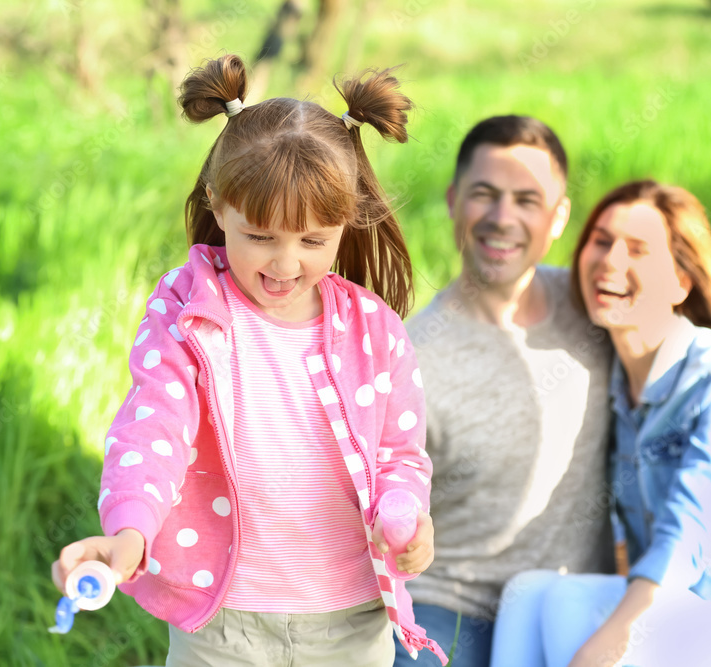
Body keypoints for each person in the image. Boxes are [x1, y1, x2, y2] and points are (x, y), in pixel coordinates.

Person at [50, 54, 448, 666]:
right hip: (223, 627)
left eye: (314, 241)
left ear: (347, 219)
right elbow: (154, 428)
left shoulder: (375, 332)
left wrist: (405, 516)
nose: (285, 265)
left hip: (349, 623)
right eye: (260, 236)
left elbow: (400, 457)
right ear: (218, 202)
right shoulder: (188, 313)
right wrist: (128, 535)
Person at [398, 116, 711, 666]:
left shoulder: (602, 316)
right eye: (485, 194)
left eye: (527, 199)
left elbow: (700, 492)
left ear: (558, 218)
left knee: (550, 609)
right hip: (459, 604)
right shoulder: (413, 355)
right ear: (455, 200)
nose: (611, 264)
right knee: (530, 598)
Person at [491, 180, 711, 667]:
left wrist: (602, 649)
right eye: (601, 241)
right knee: (529, 594)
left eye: (638, 249)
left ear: (681, 281)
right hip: (692, 607)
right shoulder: (609, 379)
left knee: (573, 623)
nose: (612, 261)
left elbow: (686, 537)